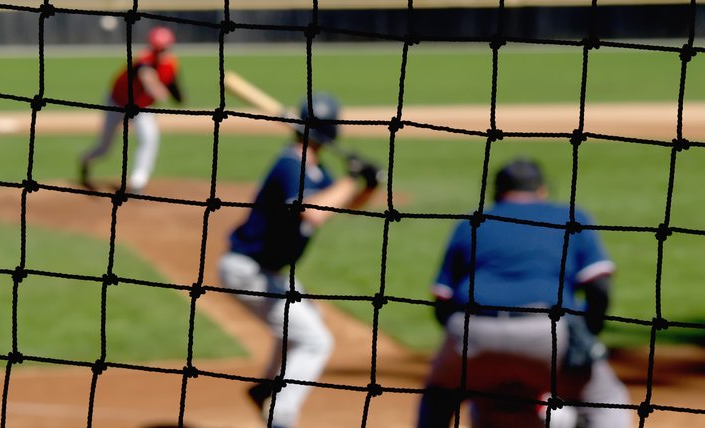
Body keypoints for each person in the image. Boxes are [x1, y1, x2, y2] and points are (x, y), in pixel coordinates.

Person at [416, 157, 630, 428]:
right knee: (605, 399)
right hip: (547, 334)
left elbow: (442, 300)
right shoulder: (572, 217)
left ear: (496, 191)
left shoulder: (472, 222)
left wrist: (472, 348)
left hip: (471, 333)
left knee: (438, 397)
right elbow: (599, 286)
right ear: (542, 190)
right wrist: (587, 336)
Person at [217, 93, 381, 428]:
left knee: (305, 319)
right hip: (247, 271)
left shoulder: (316, 172)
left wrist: (369, 185)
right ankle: (281, 414)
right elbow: (313, 213)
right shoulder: (289, 166)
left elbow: (345, 205)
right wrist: (352, 178)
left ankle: (265, 387)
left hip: (268, 272)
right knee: (315, 341)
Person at [79, 26, 183, 194]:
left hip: (140, 107)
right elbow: (146, 75)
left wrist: (177, 96)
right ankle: (86, 159)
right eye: (159, 48)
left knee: (149, 139)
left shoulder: (171, 63)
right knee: (105, 148)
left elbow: (173, 85)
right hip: (117, 103)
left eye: (165, 48)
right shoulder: (144, 59)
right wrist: (157, 89)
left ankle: (137, 182)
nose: (162, 51)